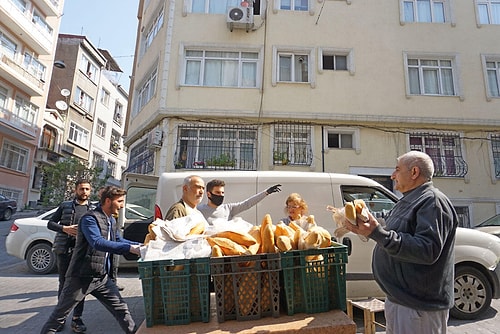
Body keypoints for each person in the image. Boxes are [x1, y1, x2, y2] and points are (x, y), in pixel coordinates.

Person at [345, 151, 458, 334]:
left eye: (397, 170)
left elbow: (427, 249)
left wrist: (377, 233)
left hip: (419, 308)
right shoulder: (408, 200)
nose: (392, 175)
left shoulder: (432, 202)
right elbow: (387, 224)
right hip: (400, 301)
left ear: (414, 172)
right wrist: (363, 222)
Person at [40, 186, 142, 334]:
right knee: (59, 317)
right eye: (119, 201)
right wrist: (130, 249)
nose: (122, 205)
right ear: (108, 201)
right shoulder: (90, 218)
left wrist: (142, 245)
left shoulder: (110, 220)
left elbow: (118, 239)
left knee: (122, 309)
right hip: (80, 277)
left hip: (101, 278)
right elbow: (97, 242)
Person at [46, 179, 96, 333]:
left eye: (87, 189)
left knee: (79, 286)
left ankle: (77, 319)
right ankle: (60, 319)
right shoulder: (65, 205)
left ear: (90, 190)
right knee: (64, 284)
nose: (85, 192)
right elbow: (50, 223)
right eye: (82, 189)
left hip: (82, 253)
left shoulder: (93, 208)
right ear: (76, 190)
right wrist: (64, 228)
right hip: (64, 251)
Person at [197, 179, 281, 224]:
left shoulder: (228, 209)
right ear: (208, 194)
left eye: (222, 192)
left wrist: (266, 192)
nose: (221, 195)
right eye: (217, 193)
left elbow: (247, 204)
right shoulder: (198, 211)